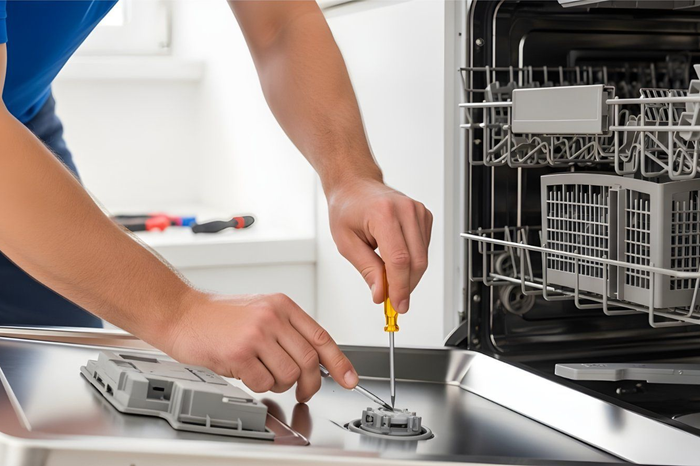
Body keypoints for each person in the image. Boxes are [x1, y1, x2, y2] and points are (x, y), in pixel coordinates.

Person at [0, 0, 432, 403]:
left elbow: (280, 22)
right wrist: (181, 312)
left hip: (20, 117)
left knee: (54, 380)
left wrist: (350, 176)